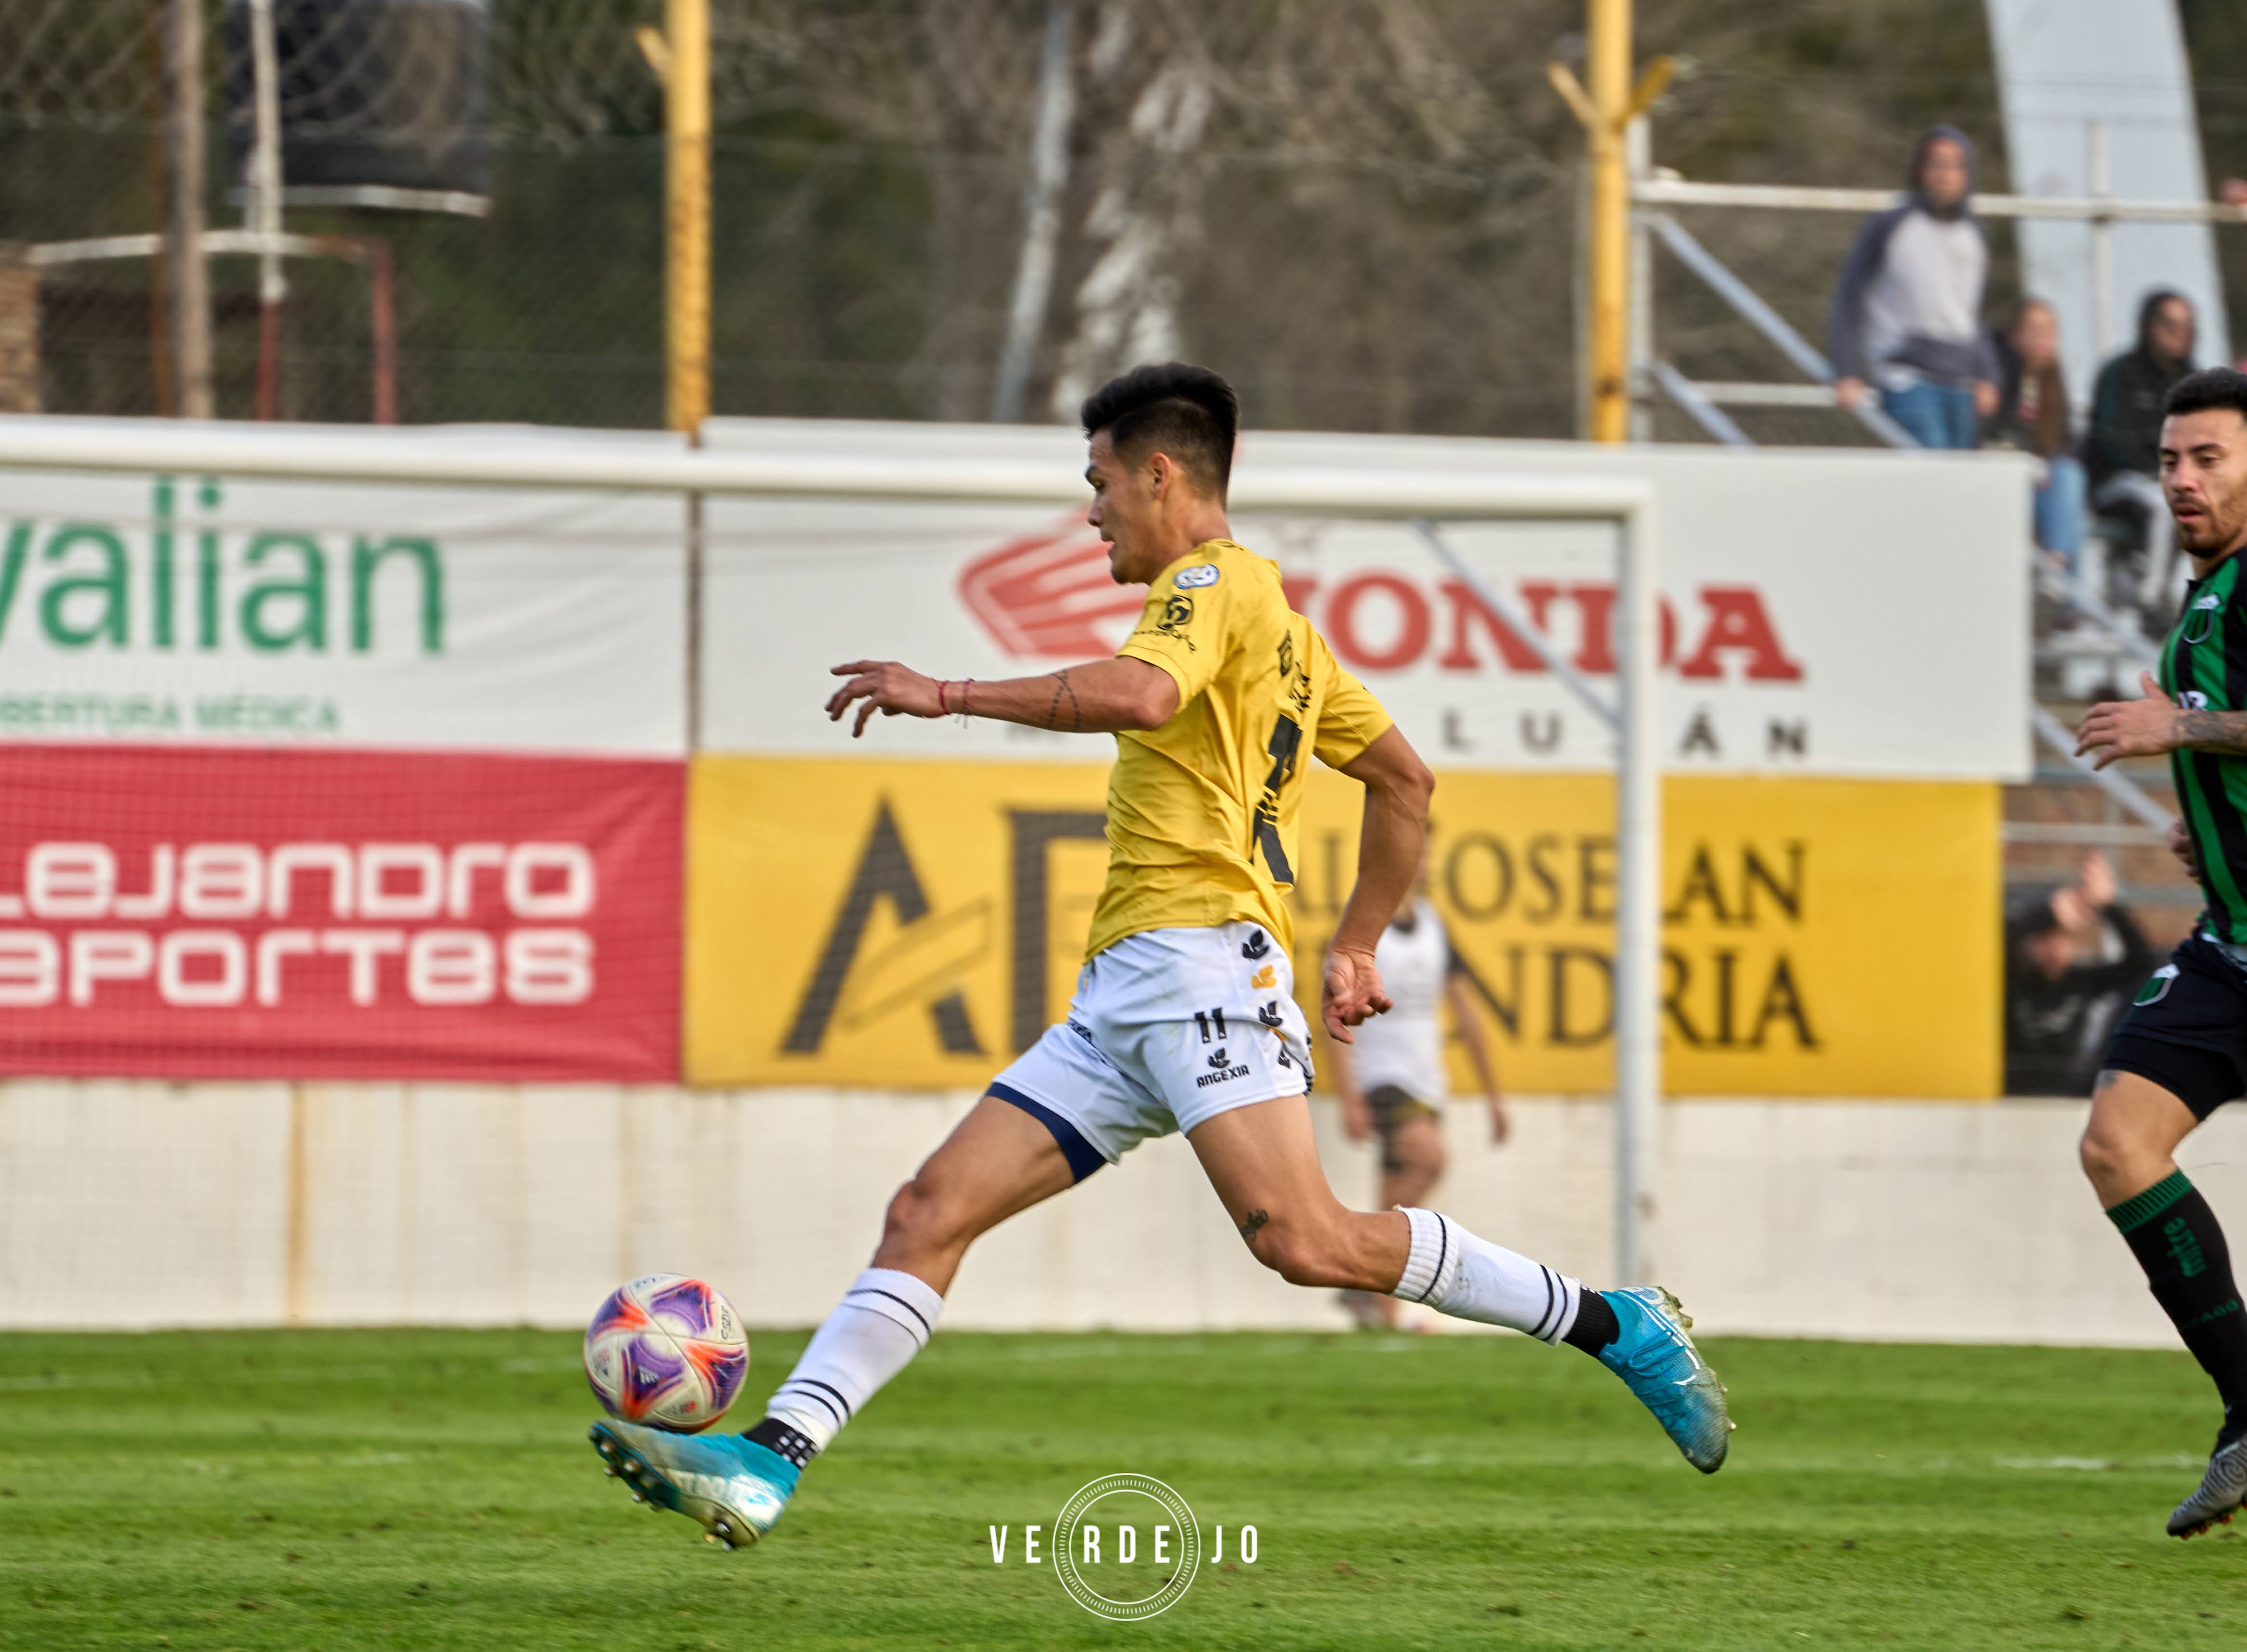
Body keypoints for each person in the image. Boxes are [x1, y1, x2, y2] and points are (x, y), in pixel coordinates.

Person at [585, 363, 1732, 1550]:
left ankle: (1616, 1322)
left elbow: (1140, 696)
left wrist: (948, 692)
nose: (1091, 514)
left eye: (1098, 485)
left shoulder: (1210, 583)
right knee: (927, 1211)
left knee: (1310, 1241)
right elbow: (1405, 782)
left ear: (1161, 473)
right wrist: (1352, 945)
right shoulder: (1284, 634)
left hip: (1200, 973)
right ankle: (765, 1468)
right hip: (1129, 992)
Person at [2072, 365, 2247, 1535]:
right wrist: (2205, 816)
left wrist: (2173, 728)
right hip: (2232, 951)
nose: (2182, 481)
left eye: (2209, 460)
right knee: (2118, 1143)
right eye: (2171, 460)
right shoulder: (2209, 599)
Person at [1330, 864, 1509, 1331]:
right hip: (1380, 1074)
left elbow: (1466, 1014)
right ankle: (1360, 1275)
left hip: (1427, 1079)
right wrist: (1348, 1096)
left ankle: (1378, 1308)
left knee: (1394, 1192)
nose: (1426, 862)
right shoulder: (1362, 929)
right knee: (1428, 1159)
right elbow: (1328, 1011)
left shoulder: (1434, 926)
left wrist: (1492, 1095)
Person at [1828, 125, 2001, 449]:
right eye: (1937, 164)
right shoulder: (1891, 225)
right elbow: (1849, 297)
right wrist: (1846, 370)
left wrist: (1987, 374)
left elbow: (1972, 313)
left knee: (1957, 487)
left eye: (1955, 165)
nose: (1946, 175)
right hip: (1906, 377)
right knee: (1930, 478)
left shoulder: (1975, 232)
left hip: (1962, 382)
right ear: (1921, 170)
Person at [2004, 852, 2152, 1097]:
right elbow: (2001, 944)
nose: (2055, 949)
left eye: (2063, 939)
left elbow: (2139, 962)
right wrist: (2049, 915)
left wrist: (2109, 906)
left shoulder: (2080, 982)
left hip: (2067, 1096)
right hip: (2012, 1095)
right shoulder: (2012, 980)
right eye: (2045, 939)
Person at [2083, 290, 2197, 585]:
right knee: (2166, 504)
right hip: (2120, 481)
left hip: (2177, 482)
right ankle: (2153, 600)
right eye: (2169, 325)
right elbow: (2109, 442)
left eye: (2186, 326)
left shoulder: (2197, 382)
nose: (2179, 335)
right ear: (2148, 326)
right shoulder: (2119, 374)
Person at [1989, 297, 2086, 566]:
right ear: (2015, 333)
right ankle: (2060, 579)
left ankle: (2057, 567)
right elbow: (1998, 432)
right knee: (2067, 492)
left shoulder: (2052, 376)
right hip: (2004, 472)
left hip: (2044, 476)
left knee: (2070, 481)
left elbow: (2063, 437)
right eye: (2034, 330)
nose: (2043, 339)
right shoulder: (1999, 369)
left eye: (2050, 331)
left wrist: (2047, 464)